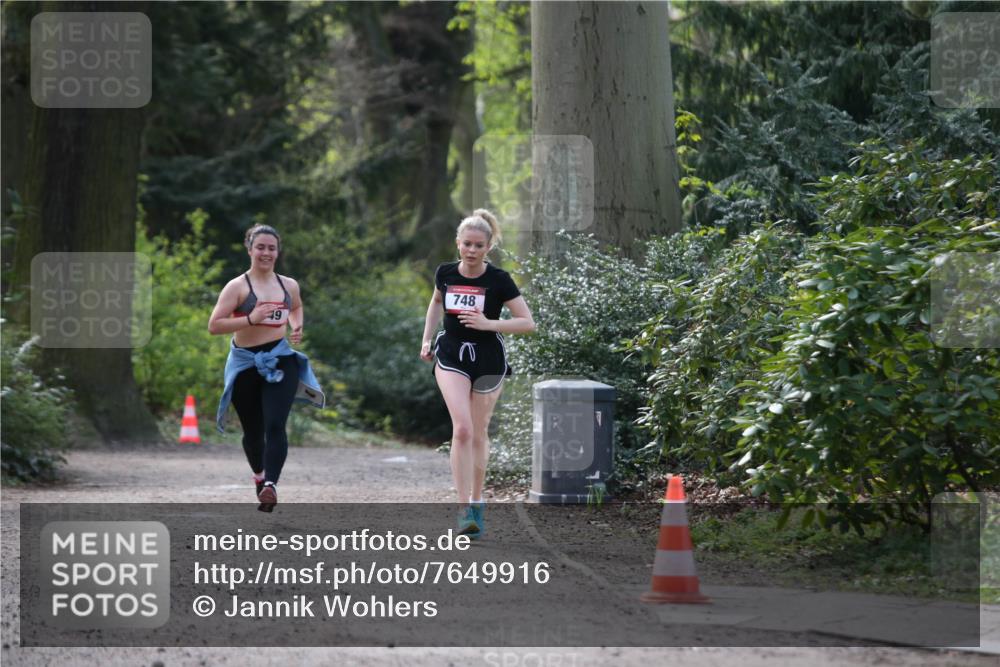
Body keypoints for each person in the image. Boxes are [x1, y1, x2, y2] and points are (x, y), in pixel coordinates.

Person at [420, 209, 535, 537]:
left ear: (488, 247)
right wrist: (426, 338)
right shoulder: (444, 273)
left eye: (478, 245)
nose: (471, 250)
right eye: (466, 244)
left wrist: (489, 324)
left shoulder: (498, 280)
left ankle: (477, 499)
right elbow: (436, 303)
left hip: (488, 358)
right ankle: (464, 509)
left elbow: (527, 322)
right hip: (452, 353)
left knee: (480, 431)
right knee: (463, 429)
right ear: (458, 244)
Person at [209, 224, 324, 512]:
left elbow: (295, 307)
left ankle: (271, 485)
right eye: (260, 247)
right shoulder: (237, 287)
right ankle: (259, 476)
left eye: (271, 248)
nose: (266, 253)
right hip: (246, 363)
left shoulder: (288, 285)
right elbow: (215, 325)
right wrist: (250, 318)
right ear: (250, 250)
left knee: (275, 424)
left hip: (280, 360)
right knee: (253, 430)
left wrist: (296, 325)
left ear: (278, 251)